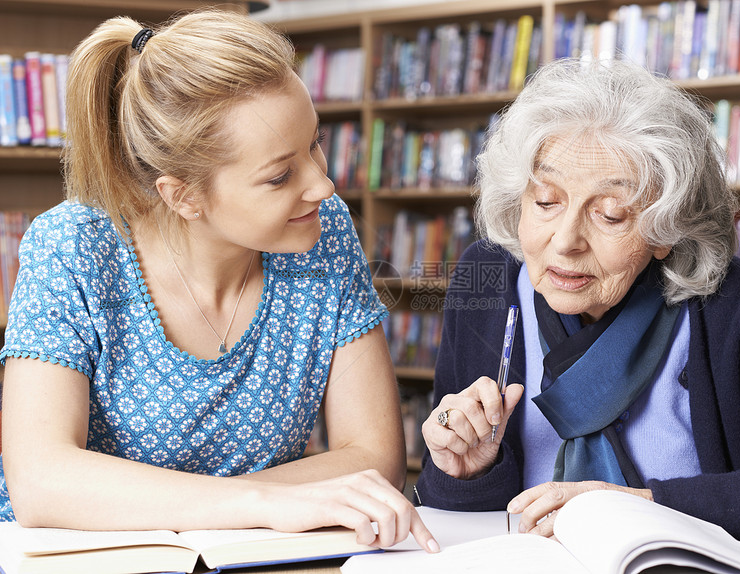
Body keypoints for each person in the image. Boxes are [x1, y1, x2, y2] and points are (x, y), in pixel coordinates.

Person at [0, 9, 438, 553]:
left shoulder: (322, 231)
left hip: (260, 557)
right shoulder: (71, 246)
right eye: (280, 176)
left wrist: (196, 508)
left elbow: (374, 457)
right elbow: (41, 482)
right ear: (183, 196)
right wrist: (265, 505)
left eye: (315, 145)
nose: (322, 185)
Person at [415, 57, 740, 545]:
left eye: (610, 215)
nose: (565, 241)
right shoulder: (486, 280)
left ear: (666, 229)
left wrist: (651, 508)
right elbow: (454, 516)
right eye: (545, 201)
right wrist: (464, 470)